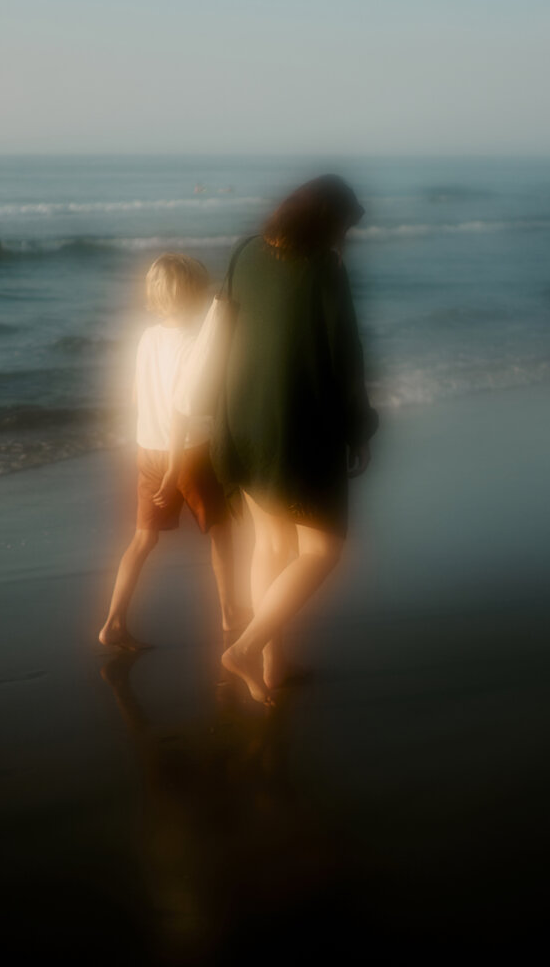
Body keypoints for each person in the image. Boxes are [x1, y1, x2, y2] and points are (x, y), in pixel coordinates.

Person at [211, 174, 379, 704]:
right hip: (298, 424)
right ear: (328, 223)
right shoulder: (324, 269)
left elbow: (228, 333)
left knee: (272, 544)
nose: (344, 239)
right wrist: (359, 428)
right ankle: (247, 647)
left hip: (242, 417)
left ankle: (274, 664)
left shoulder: (243, 253)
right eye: (344, 228)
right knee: (323, 549)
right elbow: (344, 355)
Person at [98, 254, 244, 651]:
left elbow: (133, 396)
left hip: (148, 448)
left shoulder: (147, 337)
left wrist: (154, 450)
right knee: (220, 534)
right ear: (197, 292)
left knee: (142, 540)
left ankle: (113, 622)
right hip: (189, 453)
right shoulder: (195, 343)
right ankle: (230, 611)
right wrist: (176, 464)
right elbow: (183, 409)